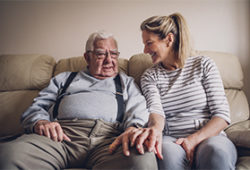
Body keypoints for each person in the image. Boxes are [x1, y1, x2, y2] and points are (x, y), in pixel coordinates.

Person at [0, 31, 158, 170]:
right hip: (59, 139)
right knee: (9, 155)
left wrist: (133, 128)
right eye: (101, 54)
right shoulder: (64, 78)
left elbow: (138, 109)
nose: (109, 60)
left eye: (114, 54)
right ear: (87, 57)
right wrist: (40, 122)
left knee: (142, 159)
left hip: (109, 141)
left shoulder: (126, 82)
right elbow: (36, 107)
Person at [135, 13, 237, 169]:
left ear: (169, 39)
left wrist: (193, 140)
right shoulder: (150, 76)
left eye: (149, 43)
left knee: (215, 152)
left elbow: (222, 116)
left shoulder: (203, 64)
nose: (145, 50)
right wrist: (155, 129)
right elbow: (156, 113)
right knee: (166, 155)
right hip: (172, 139)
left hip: (210, 137)